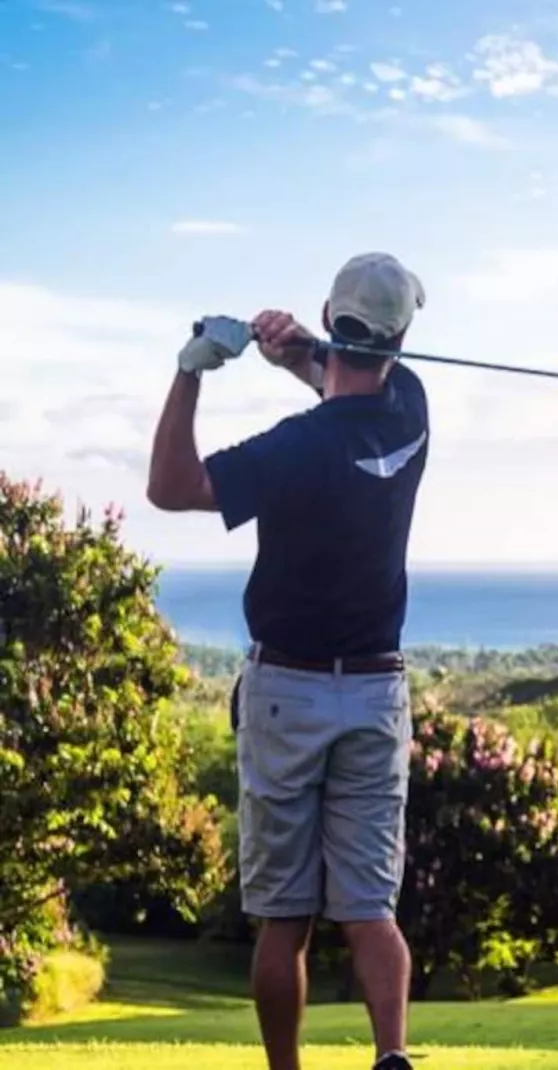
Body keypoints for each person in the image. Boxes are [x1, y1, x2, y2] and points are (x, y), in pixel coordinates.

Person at [146, 253, 430, 1070]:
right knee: (371, 909)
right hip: (376, 693)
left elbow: (173, 486)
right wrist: (297, 352)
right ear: (402, 339)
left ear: (331, 318)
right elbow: (342, 378)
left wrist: (192, 371)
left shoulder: (294, 450)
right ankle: (392, 1056)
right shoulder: (411, 410)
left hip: (287, 694)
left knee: (286, 918)